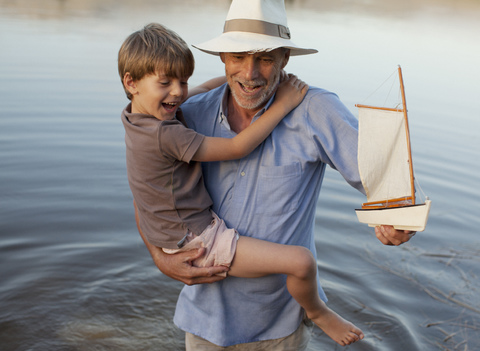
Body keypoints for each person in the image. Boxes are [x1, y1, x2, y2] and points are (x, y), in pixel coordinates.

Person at [134, 1, 416, 349]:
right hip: (203, 321)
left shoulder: (315, 110)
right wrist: (159, 257)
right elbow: (147, 190)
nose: (250, 73)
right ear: (223, 57)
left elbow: (391, 183)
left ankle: (317, 312)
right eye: (238, 56)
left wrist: (398, 221)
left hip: (279, 328)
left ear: (285, 59)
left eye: (265, 58)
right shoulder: (188, 115)